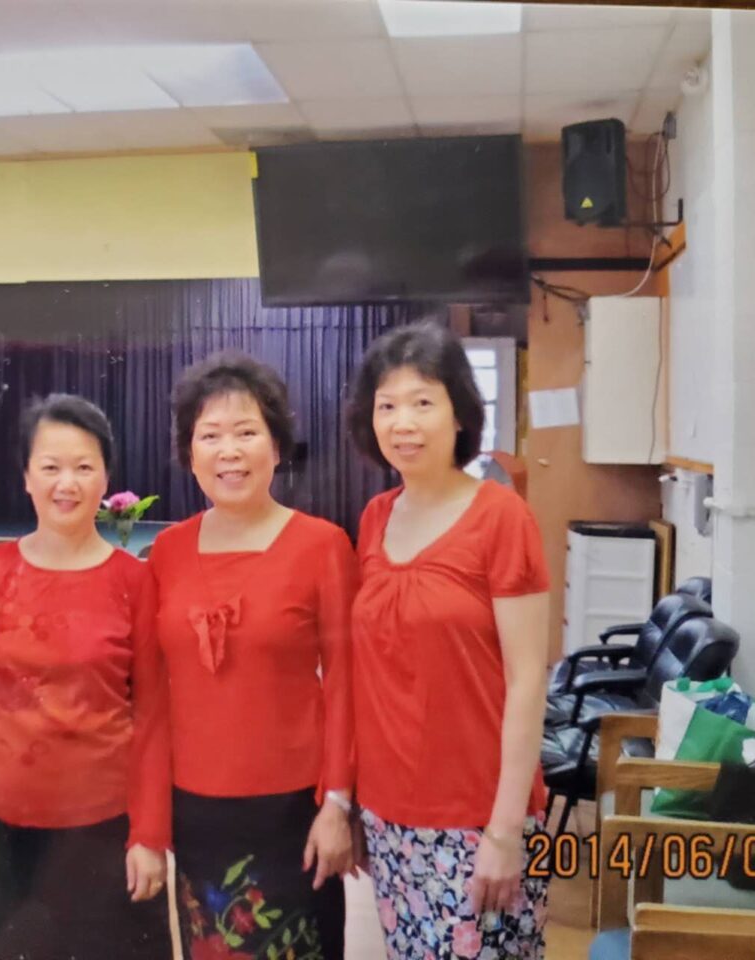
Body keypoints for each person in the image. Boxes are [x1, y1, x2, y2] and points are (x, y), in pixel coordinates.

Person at [0, 394, 171, 959]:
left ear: (106, 479)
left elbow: (154, 716)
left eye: (84, 467)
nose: (67, 483)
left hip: (106, 830)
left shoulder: (133, 581)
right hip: (4, 830)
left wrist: (149, 835)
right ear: (26, 478)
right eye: (50, 467)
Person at [346, 322, 550, 960]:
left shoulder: (501, 517)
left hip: (479, 814)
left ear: (460, 414)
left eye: (422, 402)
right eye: (387, 405)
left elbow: (527, 679)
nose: (403, 422)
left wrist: (506, 830)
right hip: (389, 811)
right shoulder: (375, 518)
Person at [148, 353, 359, 960]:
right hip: (196, 813)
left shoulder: (322, 546)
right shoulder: (167, 552)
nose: (229, 452)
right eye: (210, 436)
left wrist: (338, 804)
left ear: (277, 445)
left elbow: (346, 684)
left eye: (246, 432)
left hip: (294, 812)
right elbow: (155, 694)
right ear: (190, 453)